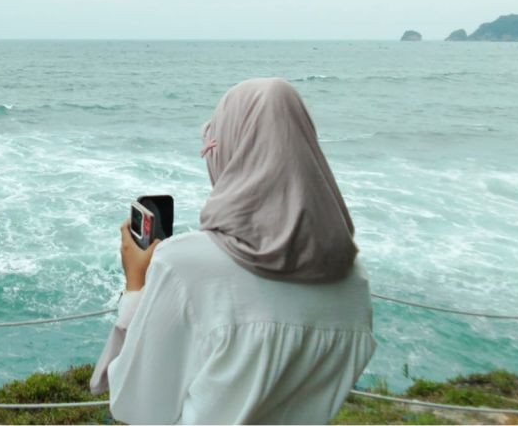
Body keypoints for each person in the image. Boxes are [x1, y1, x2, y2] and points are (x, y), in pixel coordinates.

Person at [90, 78, 376, 424]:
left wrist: (136, 284)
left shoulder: (184, 265)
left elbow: (135, 406)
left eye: (212, 145)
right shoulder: (354, 282)